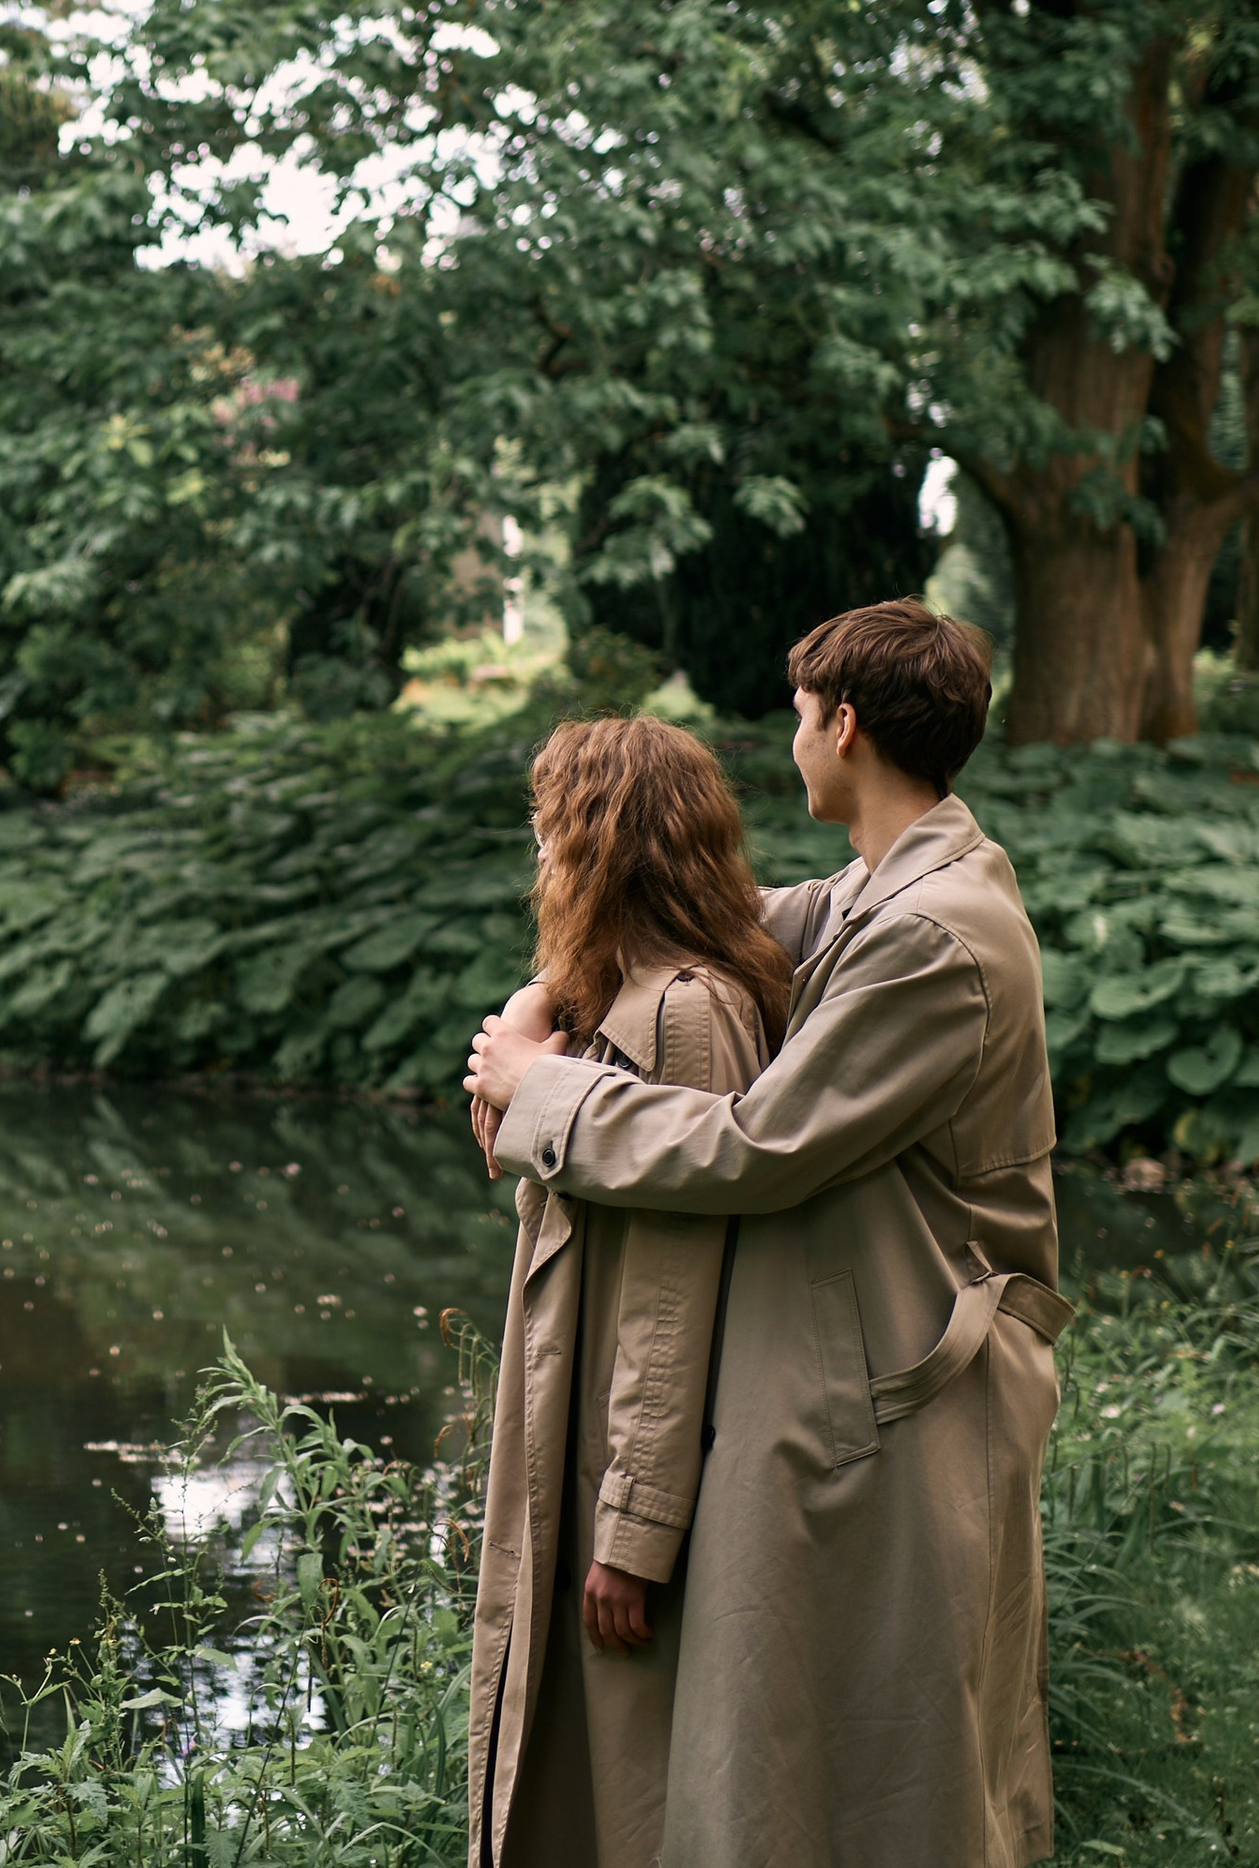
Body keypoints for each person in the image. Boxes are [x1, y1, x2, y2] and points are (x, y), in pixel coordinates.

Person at [466, 602, 1070, 1868]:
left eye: (797, 718)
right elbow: (703, 909)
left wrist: (539, 1089)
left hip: (911, 1389)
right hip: (859, 1374)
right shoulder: (872, 891)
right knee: (805, 1756)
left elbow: (752, 1143)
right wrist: (549, 989)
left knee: (887, 1760)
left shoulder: (932, 934)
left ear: (842, 727)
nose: (787, 743)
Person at [467, 715, 788, 1868]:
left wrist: (635, 1529)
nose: (539, 860)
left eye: (553, 834)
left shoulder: (683, 1013)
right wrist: (538, 1002)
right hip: (580, 1437)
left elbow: (671, 1286)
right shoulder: (624, 994)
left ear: (598, 849)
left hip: (619, 1463)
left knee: (627, 1792)